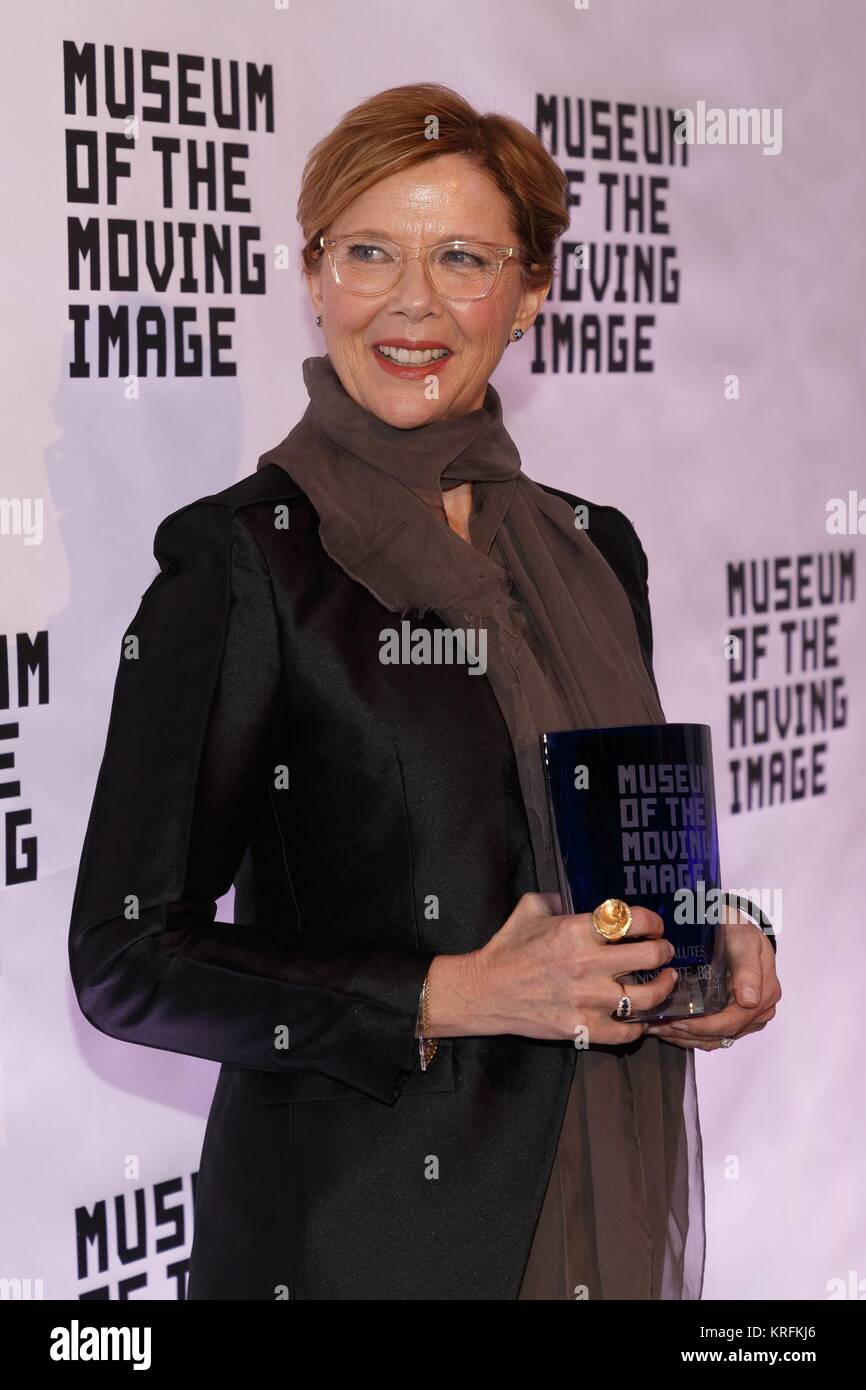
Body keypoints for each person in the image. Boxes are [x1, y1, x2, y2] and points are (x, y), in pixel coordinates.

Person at [68, 82, 781, 1301]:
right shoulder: (243, 561)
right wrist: (450, 992)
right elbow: (125, 957)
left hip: (603, 1214)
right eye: (367, 252)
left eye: (460, 257)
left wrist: (715, 944)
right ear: (313, 275)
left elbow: (609, 871)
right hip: (361, 1245)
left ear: (531, 295)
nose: (410, 301)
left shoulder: (590, 548)